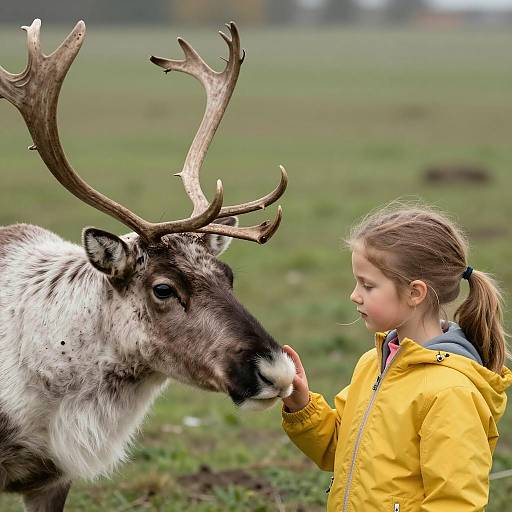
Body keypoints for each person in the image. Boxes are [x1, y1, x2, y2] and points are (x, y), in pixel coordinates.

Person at [281, 203, 512, 512]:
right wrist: (302, 406)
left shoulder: (451, 392)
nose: (354, 294)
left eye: (368, 285)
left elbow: (455, 503)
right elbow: (341, 448)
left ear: (415, 293)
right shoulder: (373, 363)